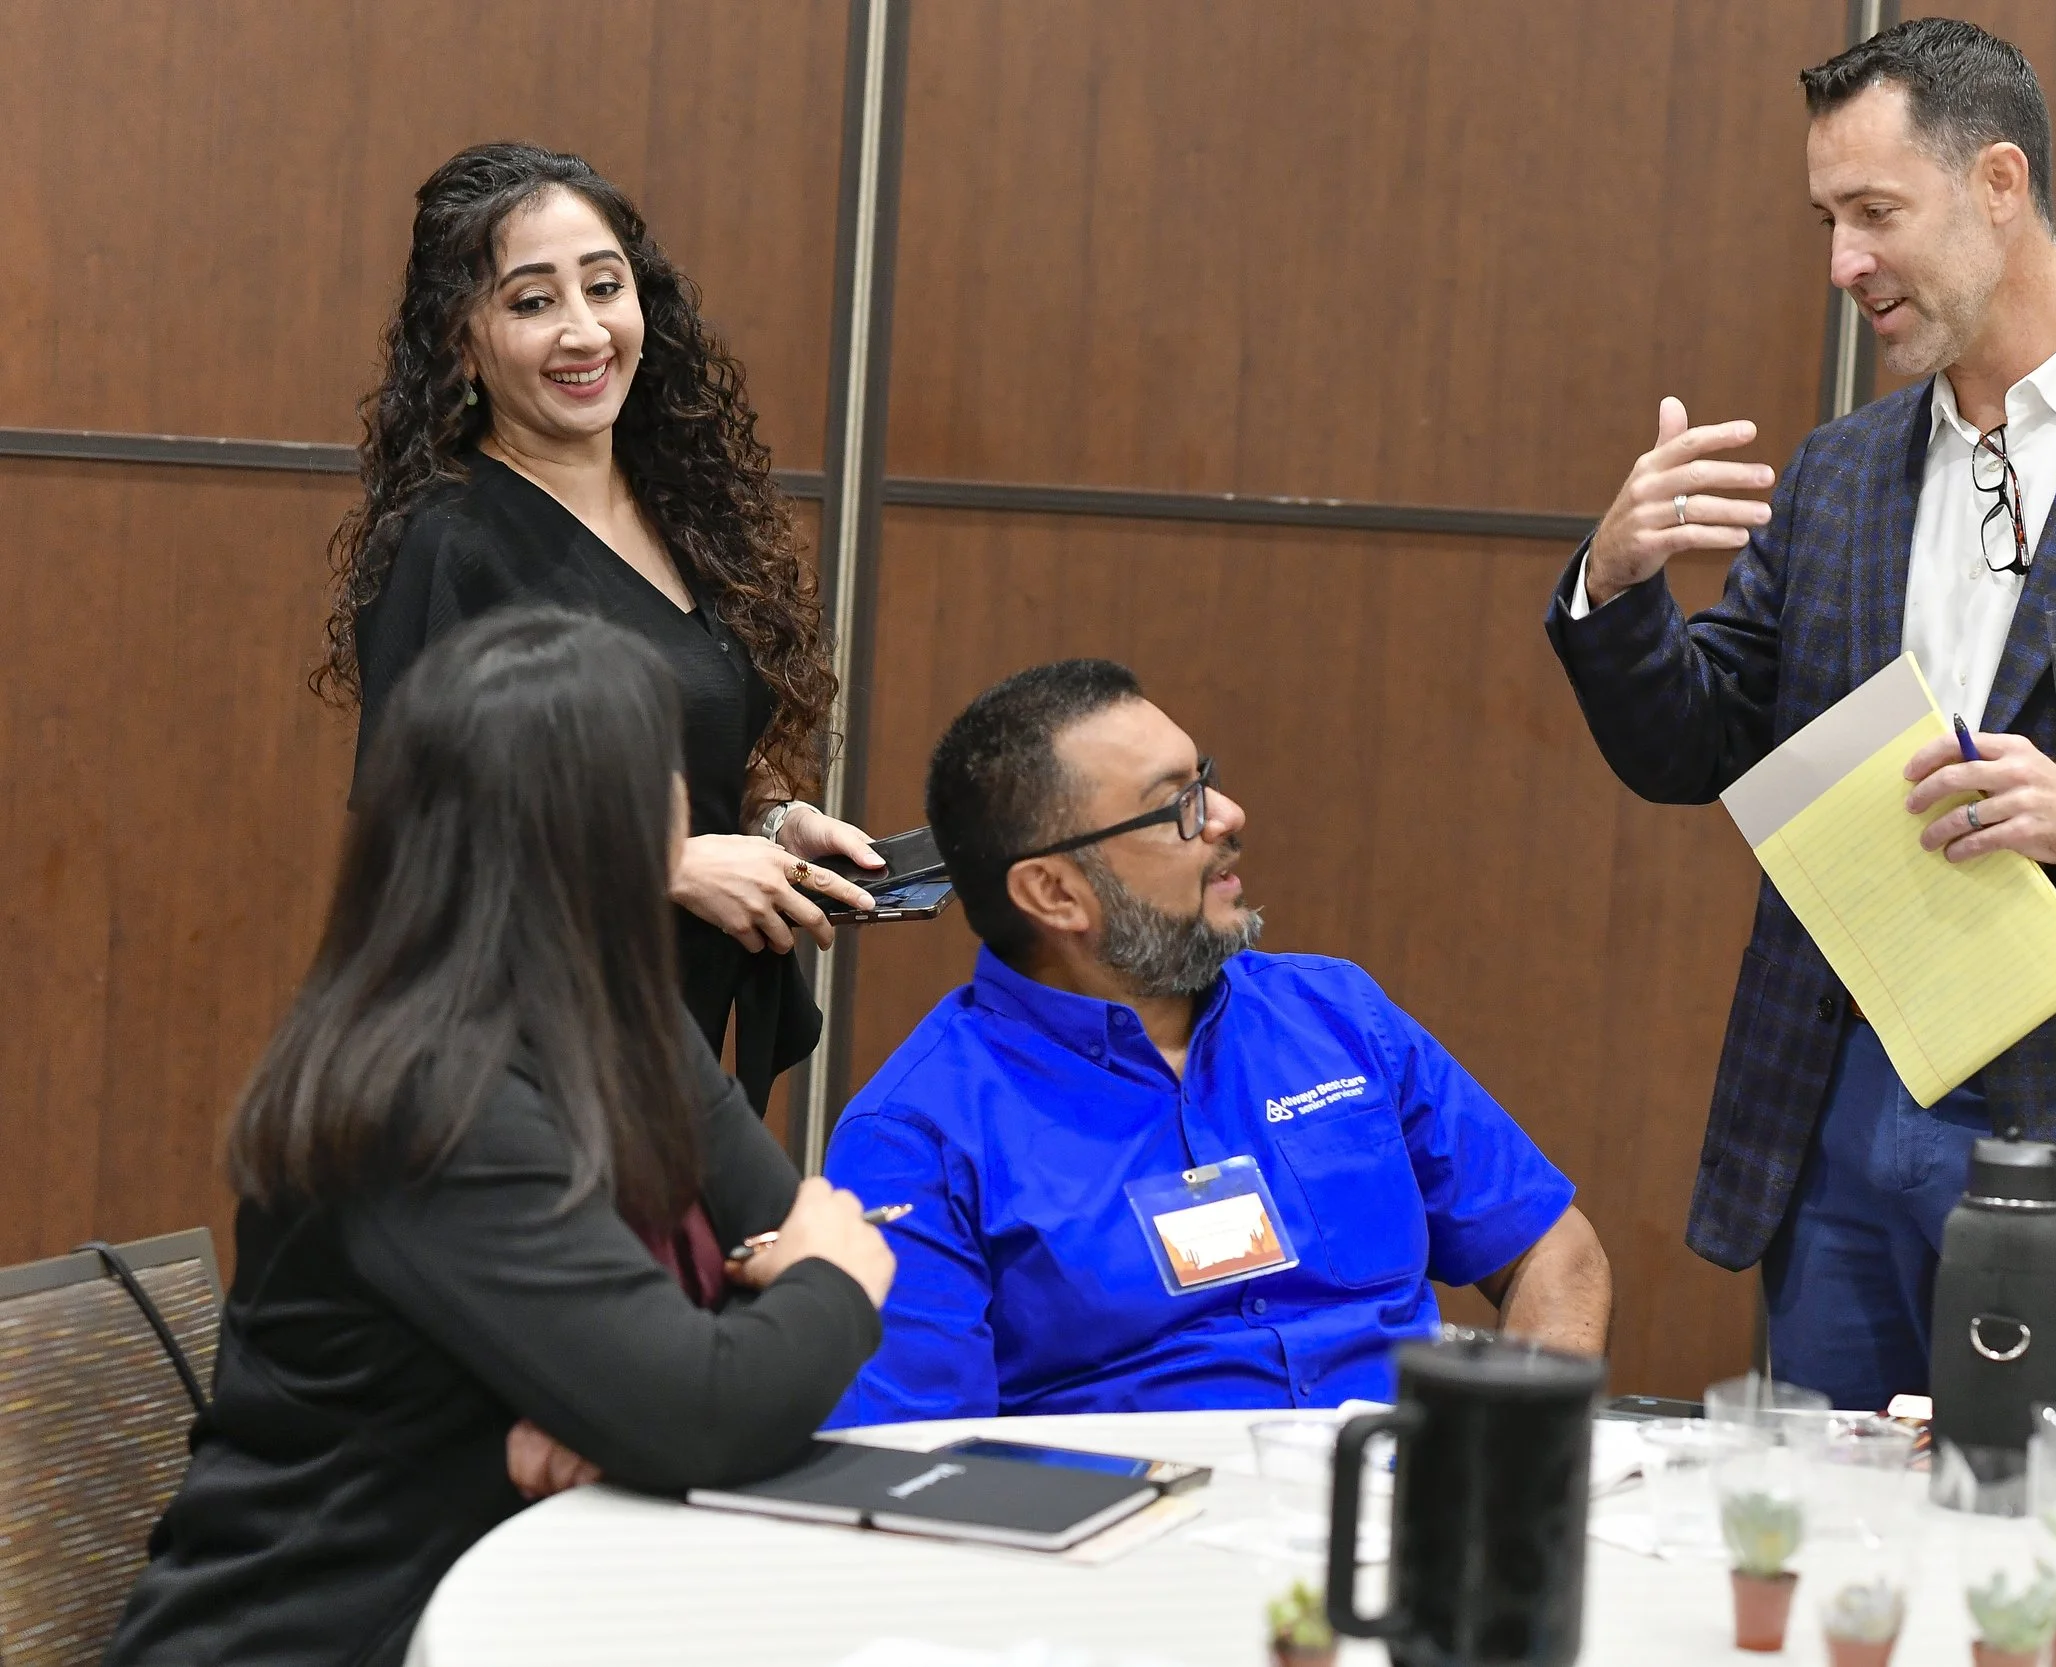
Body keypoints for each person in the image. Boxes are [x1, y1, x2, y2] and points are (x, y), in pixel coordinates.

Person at [1545, 19, 2056, 1420]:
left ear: (2000, 183)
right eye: (1826, 221)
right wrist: (1616, 587)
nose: (1842, 262)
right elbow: (1697, 745)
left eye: (1875, 213)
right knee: (1833, 1534)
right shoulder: (1842, 472)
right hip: (1841, 1125)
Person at [107, 610, 896, 1667]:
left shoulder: (626, 1017)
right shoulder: (427, 1098)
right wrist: (827, 1280)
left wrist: (631, 1411)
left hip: (536, 1594)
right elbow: (718, 1394)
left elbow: (756, 1252)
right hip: (333, 1631)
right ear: (605, 819)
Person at [823, 661, 1611, 1422]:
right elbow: (916, 1457)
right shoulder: (917, 1135)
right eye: (1179, 806)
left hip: (1393, 1484)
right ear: (1055, 891)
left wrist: (1510, 1457)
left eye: (1205, 779)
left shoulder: (1335, 1013)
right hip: (1135, 1506)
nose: (1228, 815)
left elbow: (1554, 1250)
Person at [316, 141, 879, 1113]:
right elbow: (415, 843)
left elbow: (685, 733)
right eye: (533, 301)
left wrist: (770, 818)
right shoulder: (450, 543)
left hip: (670, 1051)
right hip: (514, 1075)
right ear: (463, 343)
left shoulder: (686, 511)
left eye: (605, 287)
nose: (584, 331)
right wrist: (664, 863)